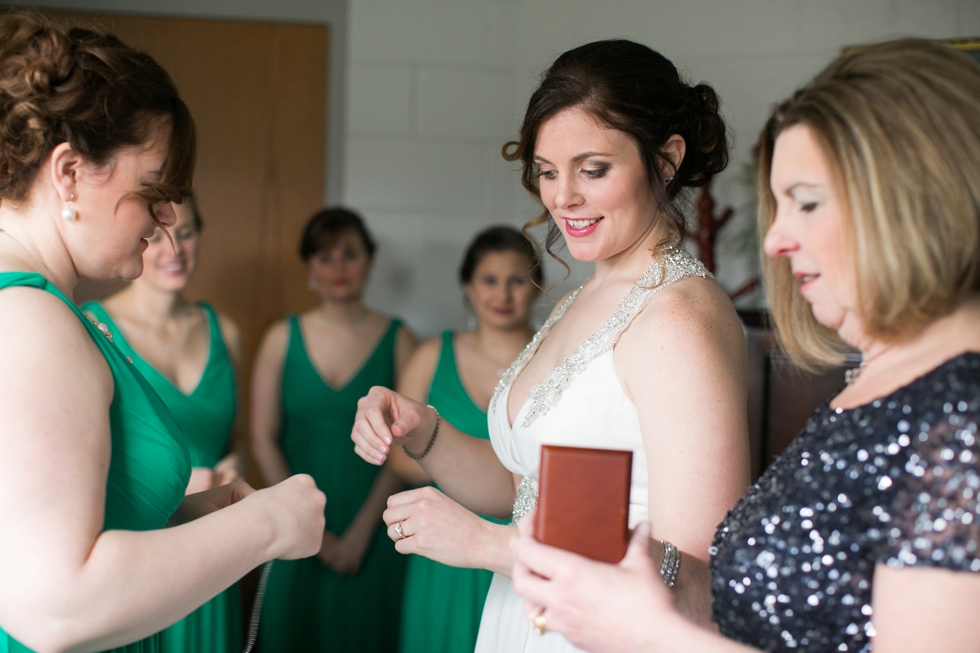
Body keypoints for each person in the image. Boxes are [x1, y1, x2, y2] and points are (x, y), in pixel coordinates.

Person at [509, 39, 980, 653]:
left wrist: (649, 635)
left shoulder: (959, 411)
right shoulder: (880, 386)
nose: (778, 239)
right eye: (778, 206)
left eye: (807, 203)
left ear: (919, 203)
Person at [351, 39, 751, 653]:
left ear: (666, 160)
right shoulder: (580, 299)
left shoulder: (679, 316)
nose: (563, 197)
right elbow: (528, 487)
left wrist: (490, 547)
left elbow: (697, 577)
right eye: (546, 171)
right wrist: (422, 431)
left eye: (593, 169)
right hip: (526, 618)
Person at [0, 12, 324, 653]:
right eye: (155, 189)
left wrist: (201, 516)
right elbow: (55, 606)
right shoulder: (31, 322)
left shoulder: (42, 313)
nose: (169, 216)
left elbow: (71, 522)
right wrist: (266, 525)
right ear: (69, 174)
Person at [82, 194, 246, 653]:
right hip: (143, 548)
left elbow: (238, 437)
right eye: (155, 237)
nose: (174, 249)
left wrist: (231, 468)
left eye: (187, 232)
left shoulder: (224, 330)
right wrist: (180, 482)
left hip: (215, 542)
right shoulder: (94, 327)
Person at [251, 207, 418, 652]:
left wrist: (362, 532)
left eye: (350, 254)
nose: (338, 267)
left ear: (369, 261)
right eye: (325, 257)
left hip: (376, 527)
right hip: (294, 525)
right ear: (308, 267)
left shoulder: (401, 340)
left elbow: (409, 448)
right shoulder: (280, 338)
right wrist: (310, 529)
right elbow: (263, 439)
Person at [387, 226, 542, 653]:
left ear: (537, 288)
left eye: (517, 280)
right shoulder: (432, 355)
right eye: (489, 280)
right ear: (468, 289)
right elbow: (398, 459)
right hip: (442, 546)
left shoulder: (554, 358)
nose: (503, 293)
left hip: (524, 543)